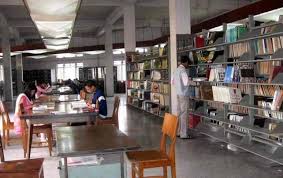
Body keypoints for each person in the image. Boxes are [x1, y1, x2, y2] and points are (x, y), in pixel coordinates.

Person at [172, 56, 194, 139]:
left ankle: (178, 132)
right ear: (186, 62)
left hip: (178, 94)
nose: (188, 65)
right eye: (188, 63)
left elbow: (172, 82)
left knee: (179, 113)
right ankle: (184, 134)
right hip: (184, 95)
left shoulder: (176, 70)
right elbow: (186, 83)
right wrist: (193, 82)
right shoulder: (183, 71)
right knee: (184, 114)